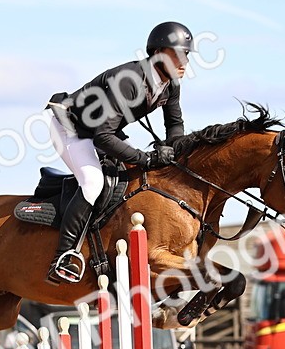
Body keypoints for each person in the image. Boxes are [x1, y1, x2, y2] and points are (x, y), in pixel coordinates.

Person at [44, 21, 196, 284]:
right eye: (178, 54)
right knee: (93, 184)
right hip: (71, 128)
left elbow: (174, 123)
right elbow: (103, 136)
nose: (184, 62)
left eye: (187, 54)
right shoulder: (130, 82)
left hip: (100, 131)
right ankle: (64, 255)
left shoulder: (170, 85)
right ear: (159, 53)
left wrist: (174, 151)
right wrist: (145, 158)